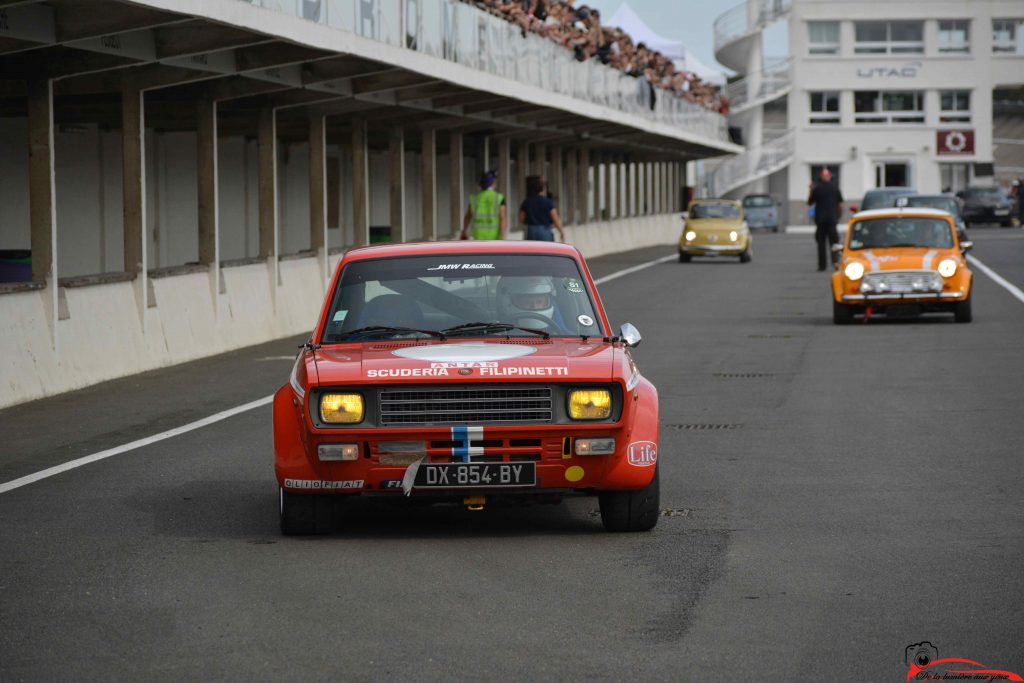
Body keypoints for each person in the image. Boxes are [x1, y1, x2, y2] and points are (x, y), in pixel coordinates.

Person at [807, 169, 844, 271]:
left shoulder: (817, 188)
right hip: (830, 220)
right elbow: (840, 204)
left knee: (821, 244)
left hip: (822, 220)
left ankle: (822, 265)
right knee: (834, 244)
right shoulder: (835, 188)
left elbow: (810, 202)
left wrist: (811, 190)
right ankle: (835, 263)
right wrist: (838, 216)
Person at [461, 170, 507, 240]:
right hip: (494, 237)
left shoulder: (474, 199)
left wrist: (464, 231)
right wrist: (503, 236)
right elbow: (502, 218)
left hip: (478, 236)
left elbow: (468, 217)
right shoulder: (499, 198)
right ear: (493, 183)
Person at [520, 175, 566, 242]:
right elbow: (555, 219)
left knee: (531, 251)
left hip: (531, 231)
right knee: (546, 250)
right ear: (541, 189)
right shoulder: (547, 202)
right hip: (544, 230)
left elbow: (521, 219)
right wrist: (561, 232)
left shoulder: (527, 202)